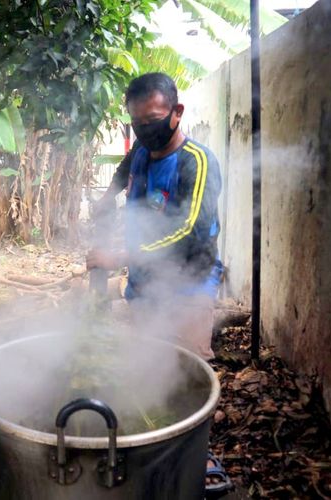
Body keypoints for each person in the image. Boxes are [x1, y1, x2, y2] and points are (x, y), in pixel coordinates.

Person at [86, 73, 231, 496]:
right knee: (149, 368)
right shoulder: (142, 155)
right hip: (146, 286)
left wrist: (119, 258)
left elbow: (189, 230)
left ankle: (194, 464)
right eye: (136, 123)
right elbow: (123, 170)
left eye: (151, 119)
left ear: (176, 112)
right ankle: (152, 453)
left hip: (188, 287)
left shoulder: (196, 162)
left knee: (188, 376)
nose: (144, 129)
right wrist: (104, 200)